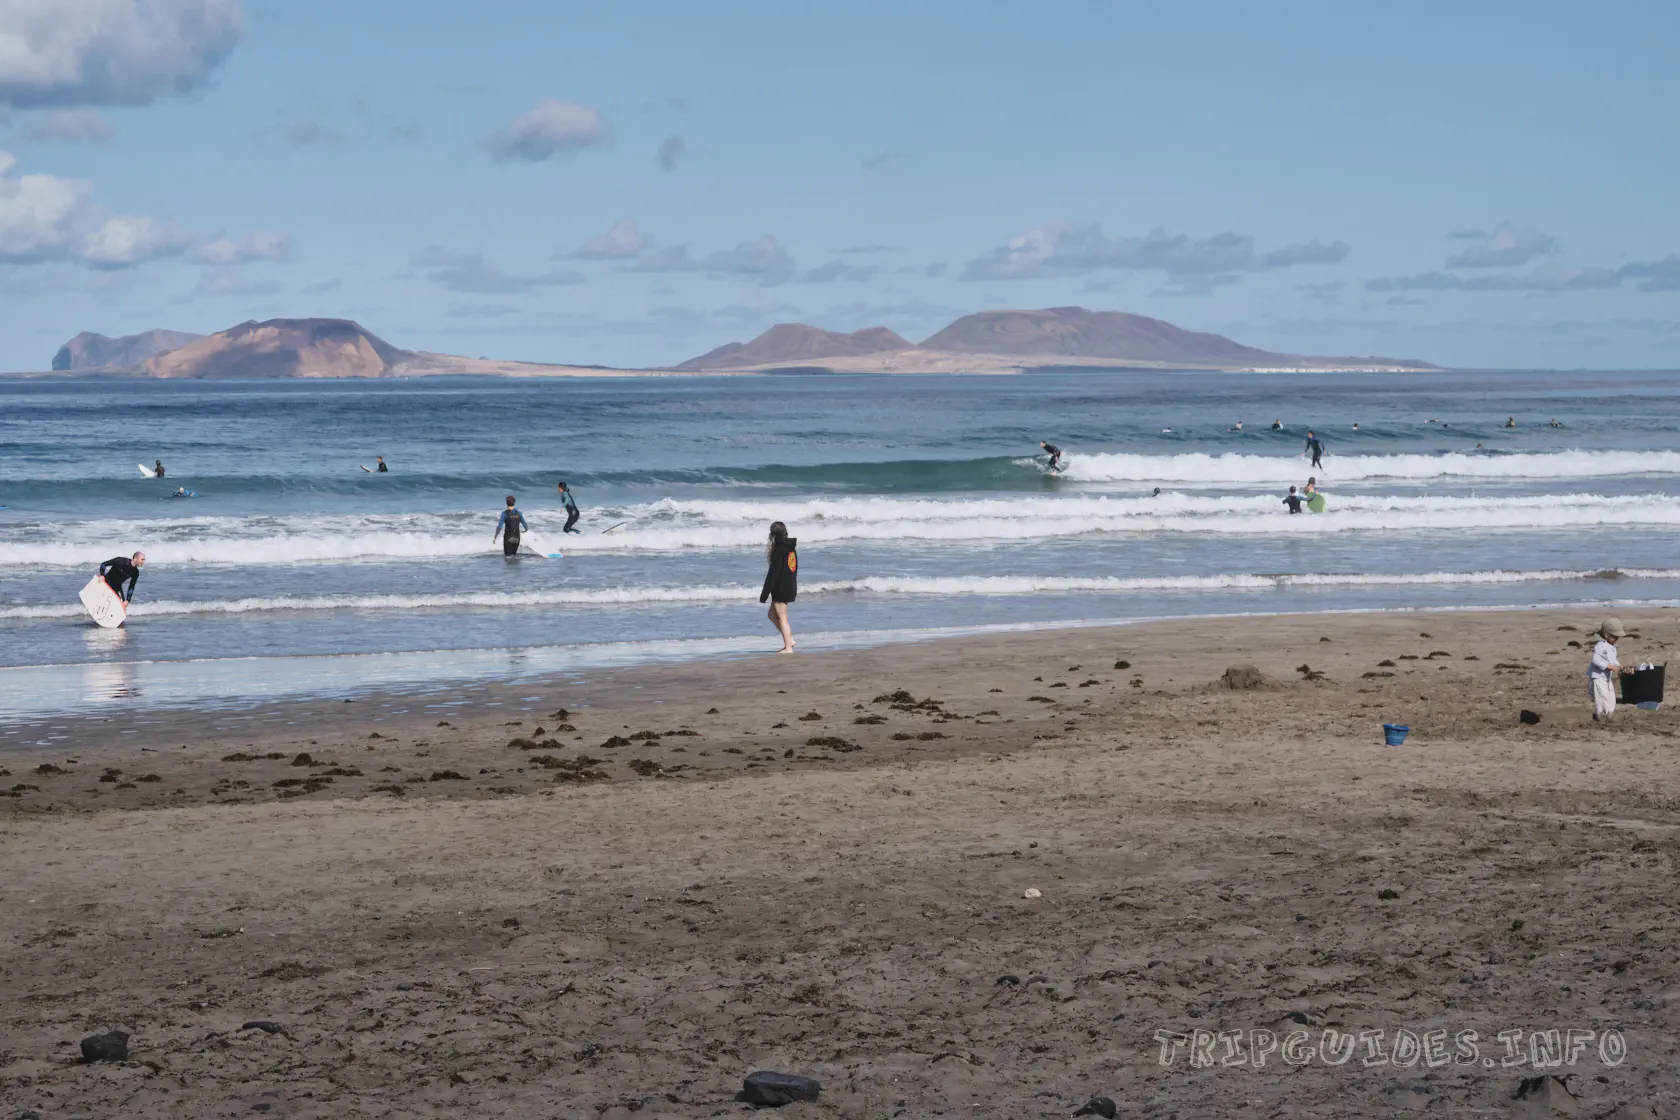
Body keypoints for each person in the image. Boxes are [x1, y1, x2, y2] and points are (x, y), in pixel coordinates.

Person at [759, 521, 797, 654]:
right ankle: (789, 640)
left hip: (781, 588)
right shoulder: (790, 548)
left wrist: (764, 595)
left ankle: (788, 648)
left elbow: (772, 575)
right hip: (788, 585)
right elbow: (793, 569)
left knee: (782, 617)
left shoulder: (779, 550)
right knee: (771, 615)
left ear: (773, 535)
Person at [1588, 618, 1634, 722]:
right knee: (1602, 698)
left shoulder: (1611, 646)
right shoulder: (1600, 645)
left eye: (1617, 637)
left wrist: (1619, 666)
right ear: (1606, 634)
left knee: (1611, 698)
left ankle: (1610, 714)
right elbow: (1596, 660)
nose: (1616, 638)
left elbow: (1612, 660)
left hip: (1606, 677)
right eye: (1614, 636)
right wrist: (1611, 667)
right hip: (1598, 677)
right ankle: (1600, 717)